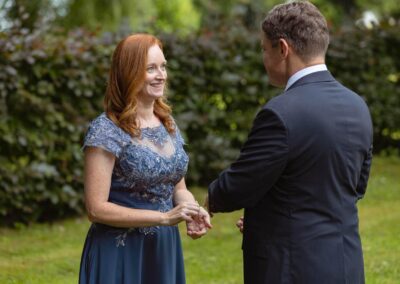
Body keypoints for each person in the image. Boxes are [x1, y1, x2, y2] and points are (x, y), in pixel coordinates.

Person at [206, 1, 373, 283]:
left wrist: (210, 199)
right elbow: (354, 186)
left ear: (283, 48)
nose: (263, 57)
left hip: (293, 268)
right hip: (346, 264)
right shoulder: (357, 106)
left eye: (263, 48)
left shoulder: (280, 114)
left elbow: (238, 186)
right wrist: (268, 222)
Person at [79, 33, 212, 284]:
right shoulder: (105, 129)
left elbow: (178, 187)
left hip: (162, 249)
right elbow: (95, 208)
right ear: (129, 73)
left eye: (163, 66)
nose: (161, 75)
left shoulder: (167, 122)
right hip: (119, 252)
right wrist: (164, 218)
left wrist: (191, 210)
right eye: (151, 68)